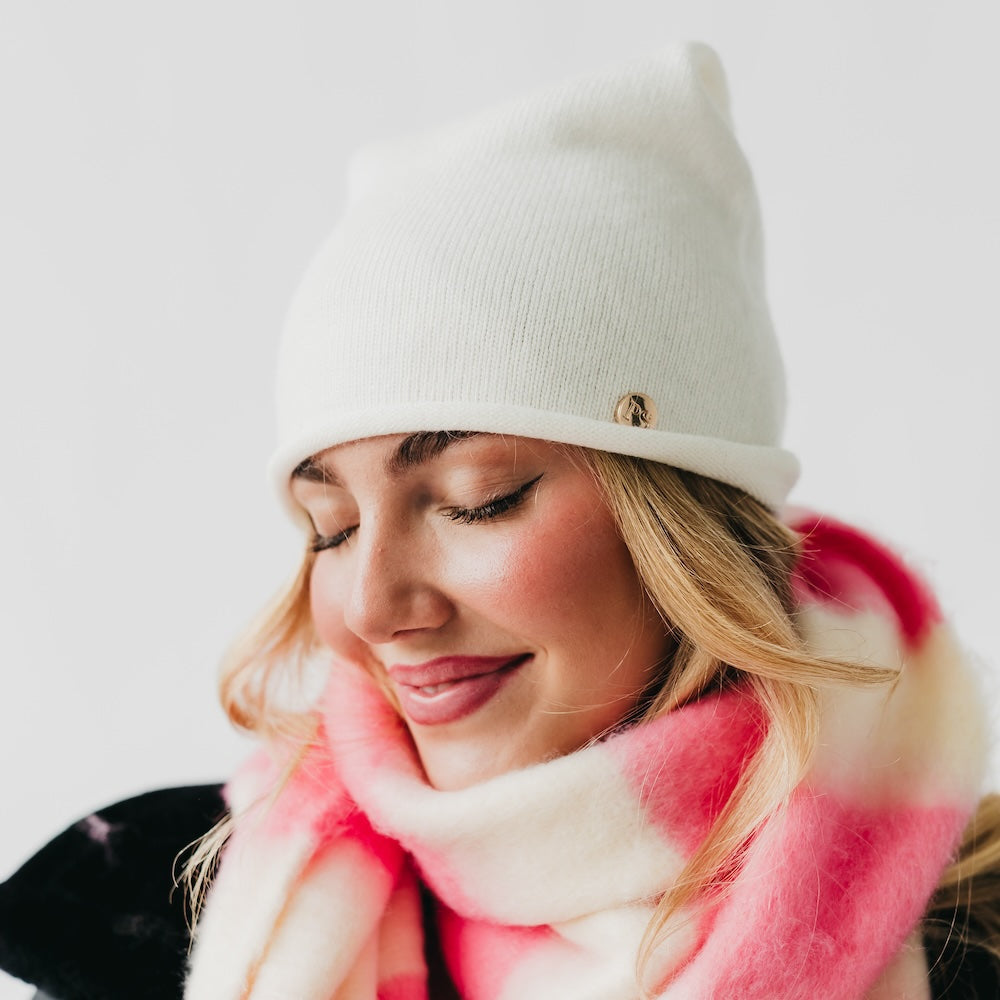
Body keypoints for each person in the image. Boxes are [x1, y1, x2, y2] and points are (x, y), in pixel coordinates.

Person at [1, 41, 998, 1000]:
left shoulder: (976, 935)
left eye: (476, 497)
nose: (373, 607)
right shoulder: (149, 915)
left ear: (682, 520)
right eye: (330, 525)